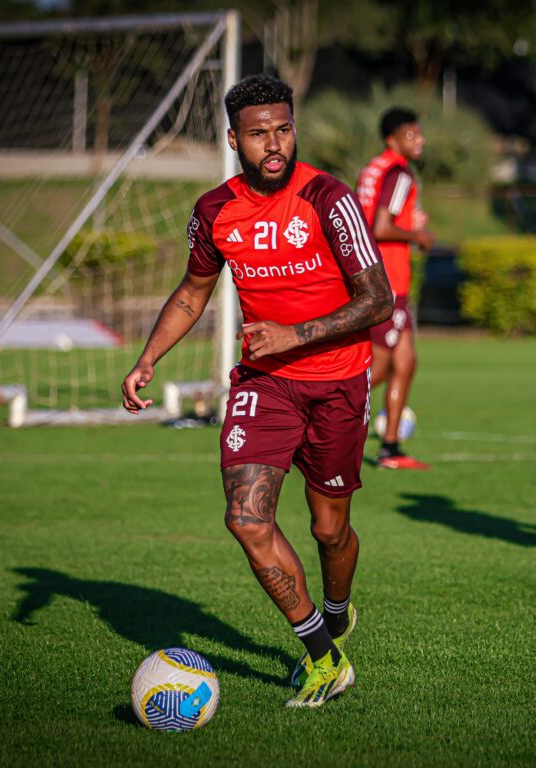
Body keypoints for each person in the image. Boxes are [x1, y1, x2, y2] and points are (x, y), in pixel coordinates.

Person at [121, 75, 392, 707]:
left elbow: (377, 299)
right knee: (246, 518)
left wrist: (295, 333)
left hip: (338, 385)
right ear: (233, 139)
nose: (273, 144)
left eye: (283, 128)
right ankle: (325, 658)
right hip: (263, 385)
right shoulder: (215, 209)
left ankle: (336, 607)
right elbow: (193, 292)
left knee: (330, 530)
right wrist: (147, 359)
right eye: (258, 133)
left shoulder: (328, 198)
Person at [356, 107, 436, 470]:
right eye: (411, 135)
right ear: (393, 139)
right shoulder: (399, 172)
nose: (419, 140)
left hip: (372, 272)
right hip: (388, 278)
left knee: (407, 361)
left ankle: (390, 448)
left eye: (419, 134)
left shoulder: (374, 168)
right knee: (383, 366)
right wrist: (417, 235)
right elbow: (381, 227)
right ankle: (317, 414)